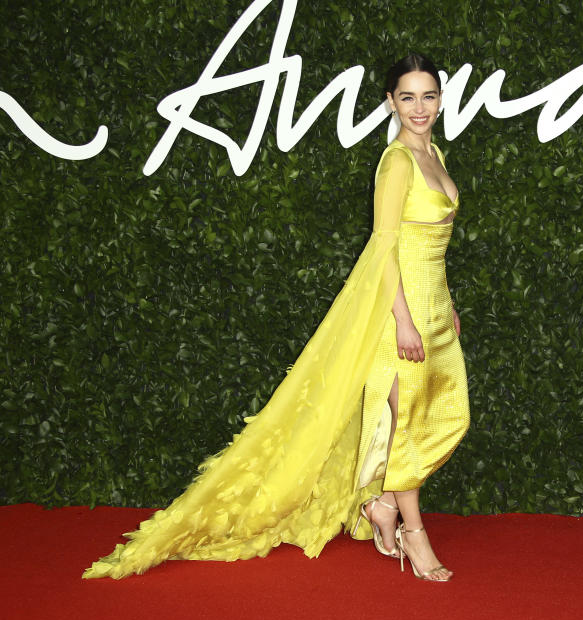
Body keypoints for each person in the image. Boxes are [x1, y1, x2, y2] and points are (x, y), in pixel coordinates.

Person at [83, 53, 469, 582]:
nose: (419, 107)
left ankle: (379, 505)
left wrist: (446, 304)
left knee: (438, 419)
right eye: (408, 97)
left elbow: (431, 247)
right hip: (398, 314)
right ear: (390, 102)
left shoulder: (435, 153)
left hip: (435, 311)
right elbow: (385, 249)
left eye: (428, 96)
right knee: (405, 429)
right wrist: (403, 320)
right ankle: (413, 534)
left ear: (440, 100)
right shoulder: (397, 162)